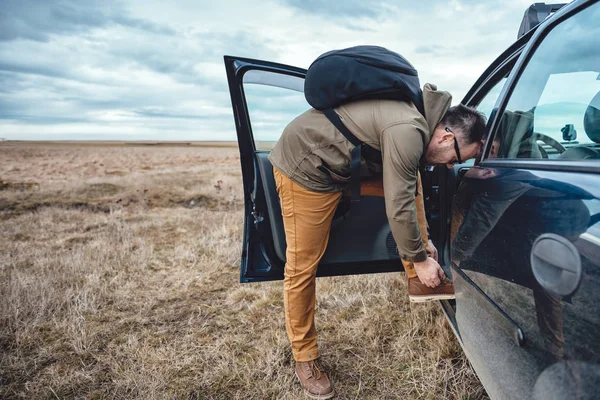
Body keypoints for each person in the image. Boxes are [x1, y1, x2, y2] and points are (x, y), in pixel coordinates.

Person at [268, 83, 486, 398]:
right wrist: (420, 258)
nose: (451, 167)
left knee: (413, 184)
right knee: (301, 266)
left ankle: (418, 281)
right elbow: (397, 205)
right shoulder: (408, 130)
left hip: (346, 169)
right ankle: (305, 358)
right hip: (308, 170)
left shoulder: (420, 126)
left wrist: (422, 247)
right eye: (456, 159)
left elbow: (408, 186)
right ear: (446, 137)